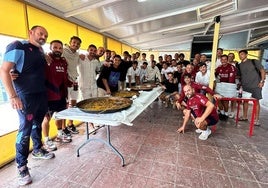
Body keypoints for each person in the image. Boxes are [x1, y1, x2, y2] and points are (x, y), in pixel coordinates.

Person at [0, 25, 55, 186]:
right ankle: (21, 166)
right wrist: (13, 96)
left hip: (41, 94)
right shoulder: (17, 46)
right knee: (25, 129)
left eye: (46, 35)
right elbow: (4, 70)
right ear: (30, 32)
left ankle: (37, 149)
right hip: (25, 97)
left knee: (37, 124)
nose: (43, 37)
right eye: (40, 34)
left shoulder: (39, 50)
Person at [42, 40, 71, 148]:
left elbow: (64, 77)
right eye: (55, 47)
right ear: (50, 48)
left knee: (59, 115)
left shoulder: (64, 62)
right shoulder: (45, 59)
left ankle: (59, 134)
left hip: (61, 95)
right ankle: (46, 139)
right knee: (46, 119)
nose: (58, 50)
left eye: (60, 48)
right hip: (48, 95)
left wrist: (70, 83)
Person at [238, 50, 266, 126]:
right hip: (245, 86)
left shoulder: (254, 61)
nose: (241, 56)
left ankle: (256, 120)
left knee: (256, 102)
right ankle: (244, 116)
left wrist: (262, 81)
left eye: (242, 54)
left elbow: (262, 70)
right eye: (239, 54)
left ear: (246, 55)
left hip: (255, 85)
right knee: (245, 101)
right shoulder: (240, 65)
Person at [63, 36, 82, 134]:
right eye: (74, 42)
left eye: (78, 44)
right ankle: (63, 128)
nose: (76, 45)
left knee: (74, 104)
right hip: (65, 82)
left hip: (74, 81)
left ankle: (70, 124)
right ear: (70, 42)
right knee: (65, 105)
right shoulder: (63, 51)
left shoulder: (77, 55)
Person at [215, 54, 237, 120]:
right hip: (220, 87)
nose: (223, 61)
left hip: (228, 87)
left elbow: (231, 79)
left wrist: (227, 88)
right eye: (222, 59)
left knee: (225, 101)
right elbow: (216, 76)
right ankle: (222, 113)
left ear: (227, 60)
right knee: (218, 100)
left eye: (225, 59)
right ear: (220, 60)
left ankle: (226, 114)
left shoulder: (231, 67)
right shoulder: (219, 67)